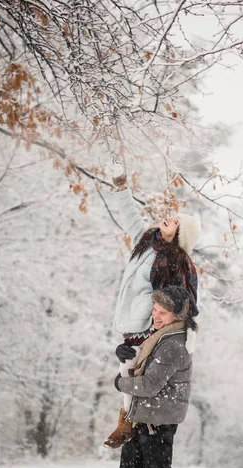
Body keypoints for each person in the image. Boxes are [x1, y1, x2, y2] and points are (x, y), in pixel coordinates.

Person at [103, 174, 201, 448]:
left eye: (178, 223)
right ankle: (126, 421)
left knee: (134, 373)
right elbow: (130, 217)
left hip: (148, 327)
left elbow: (175, 305)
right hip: (129, 323)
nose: (172, 219)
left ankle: (127, 423)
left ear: (179, 235)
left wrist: (152, 333)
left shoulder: (174, 262)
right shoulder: (147, 241)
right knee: (127, 369)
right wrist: (121, 187)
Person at [114, 285, 197, 468]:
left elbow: (149, 384)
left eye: (163, 312)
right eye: (155, 310)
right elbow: (142, 358)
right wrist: (124, 353)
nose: (156, 316)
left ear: (177, 315)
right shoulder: (160, 336)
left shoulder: (173, 344)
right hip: (144, 417)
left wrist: (120, 383)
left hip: (158, 422)